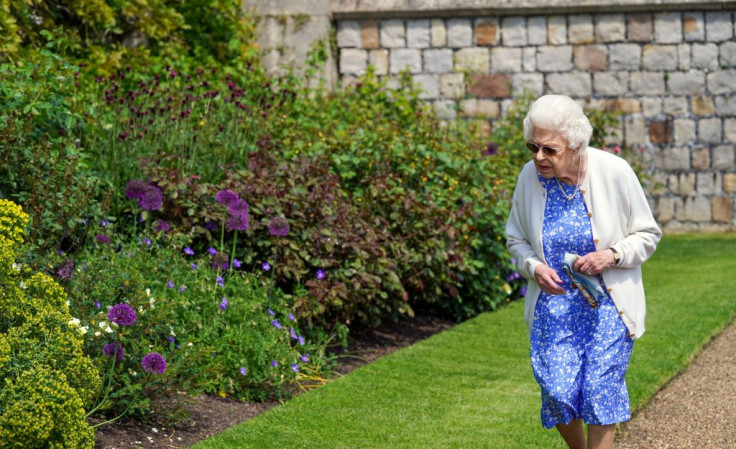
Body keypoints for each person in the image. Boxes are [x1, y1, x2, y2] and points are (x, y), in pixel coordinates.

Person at [505, 95, 661, 449]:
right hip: (554, 307)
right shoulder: (530, 177)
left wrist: (611, 255)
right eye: (533, 146)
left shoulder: (614, 171)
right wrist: (534, 267)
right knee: (558, 393)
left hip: (608, 304)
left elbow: (648, 234)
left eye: (549, 149)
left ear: (575, 146)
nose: (538, 157)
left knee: (598, 388)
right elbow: (515, 238)